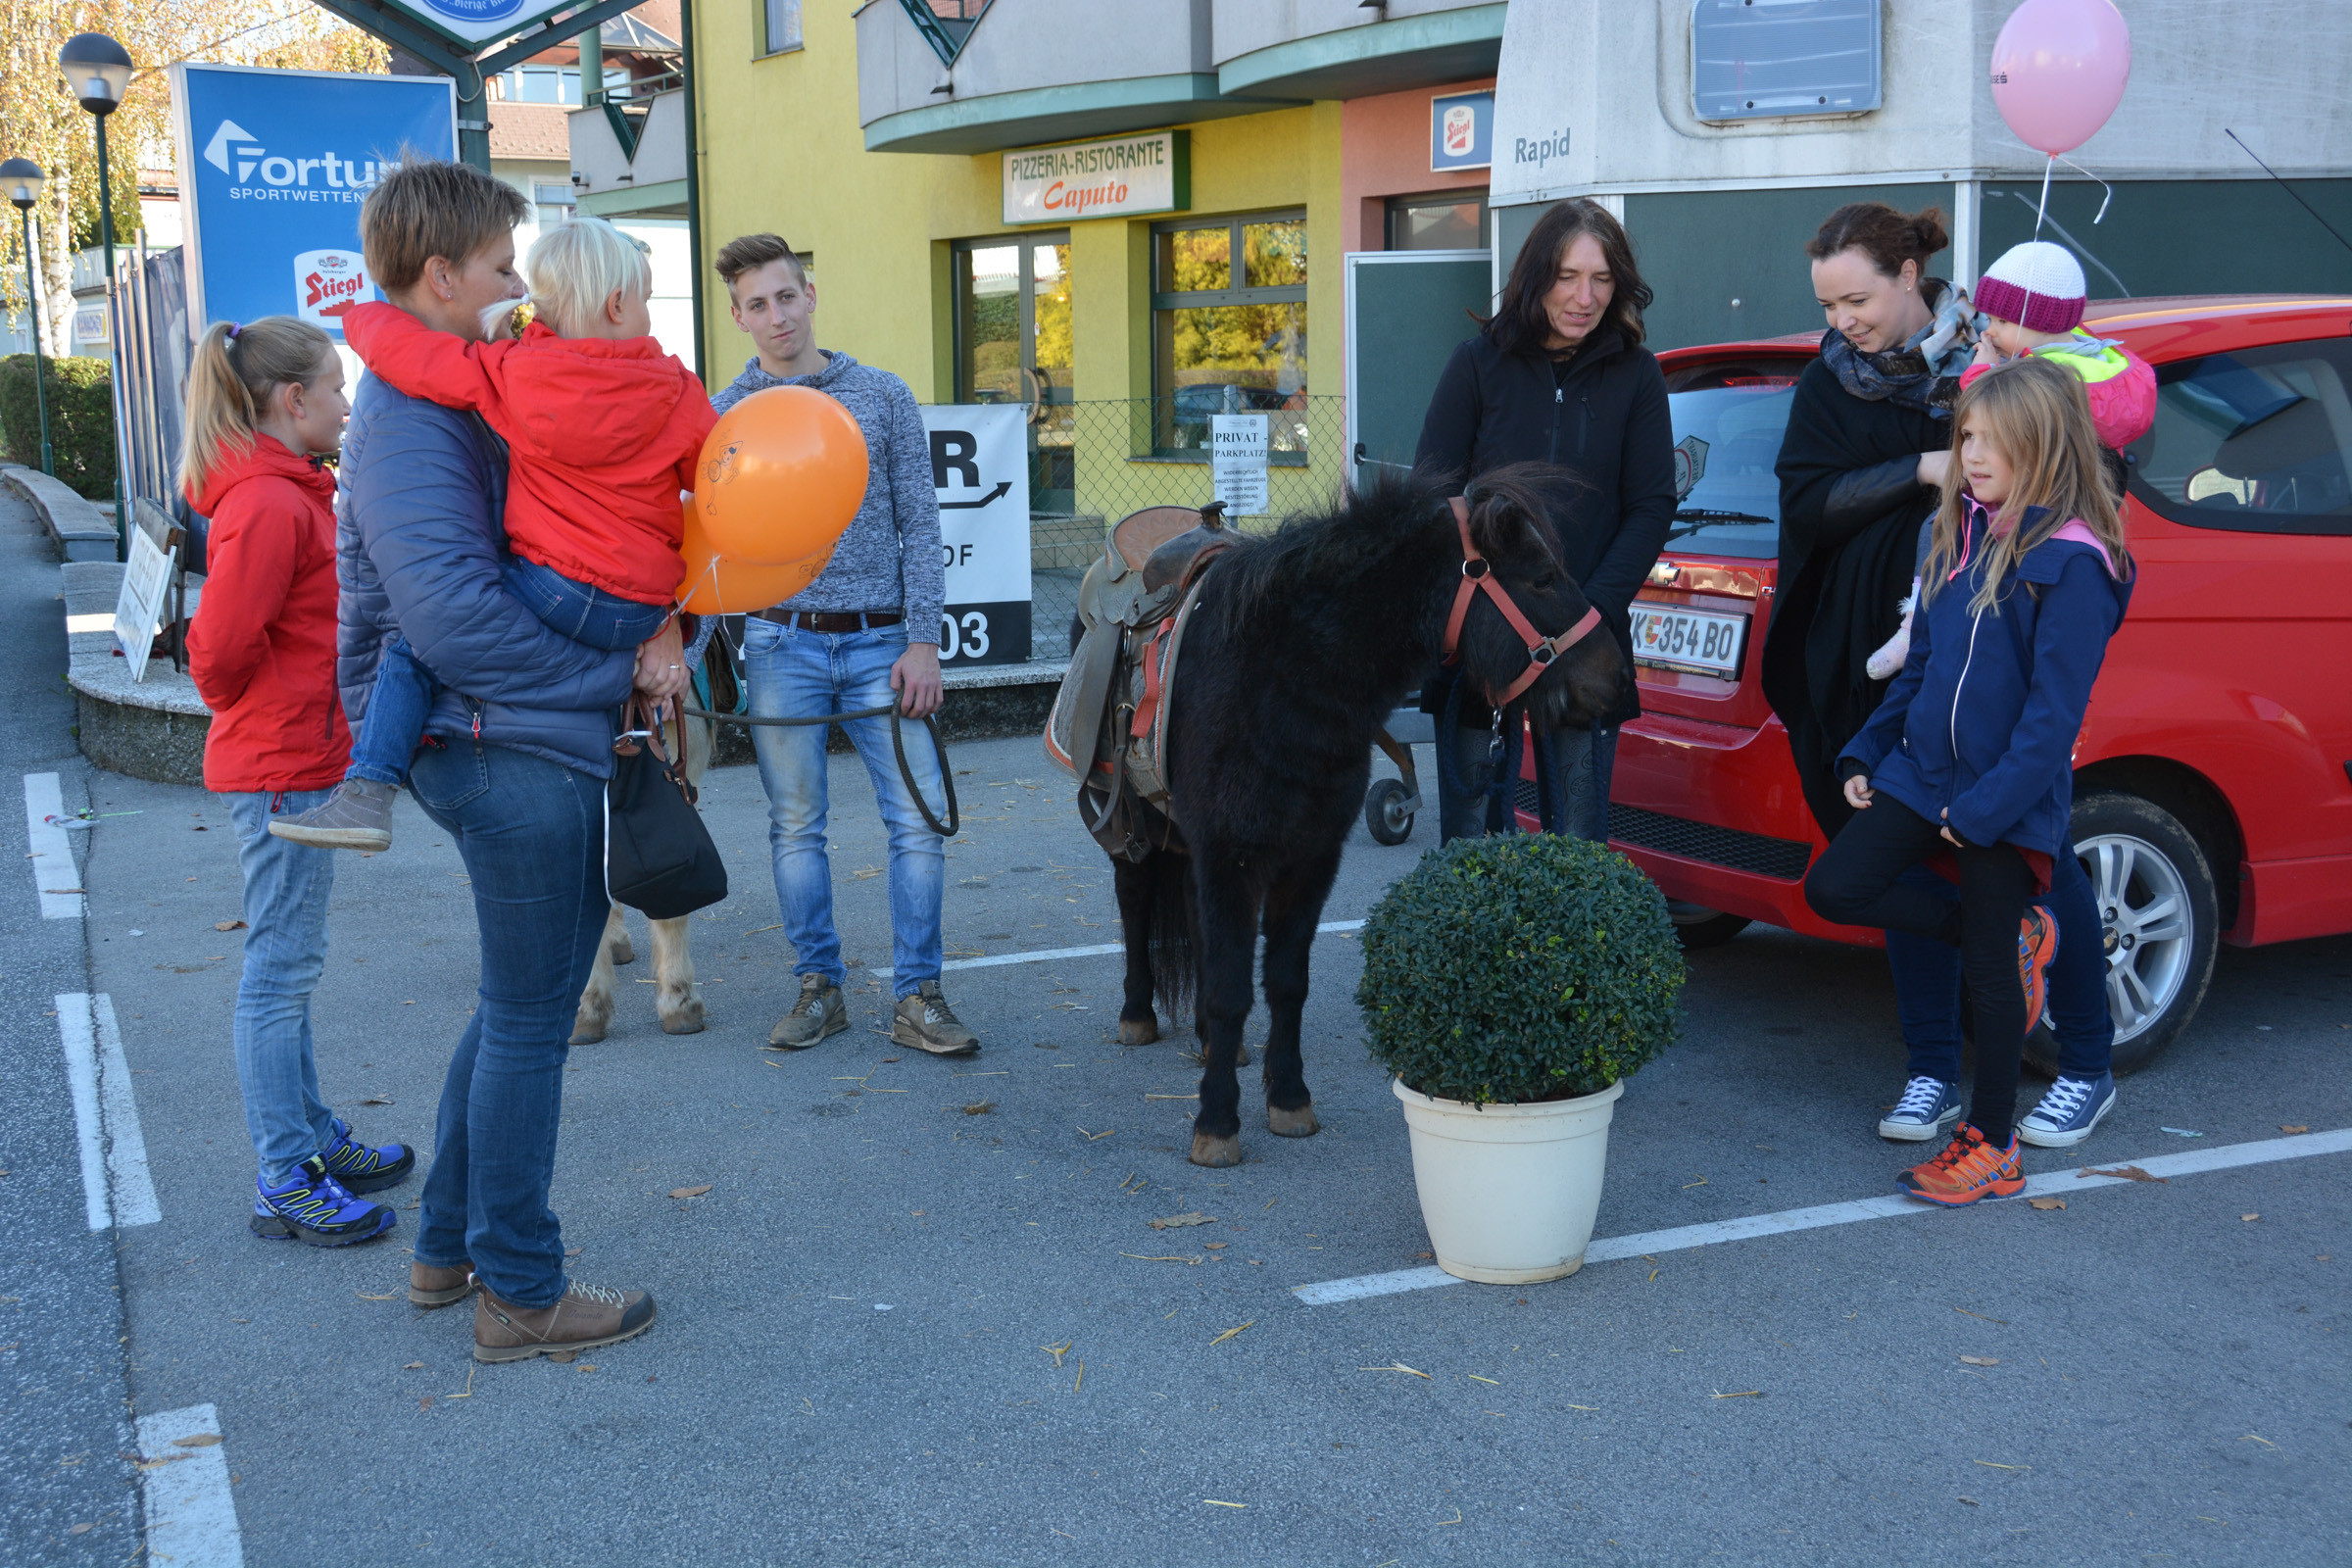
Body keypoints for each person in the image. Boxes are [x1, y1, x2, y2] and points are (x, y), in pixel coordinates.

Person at [340, 160, 675, 1360]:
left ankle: (444, 1250)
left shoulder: (450, 394)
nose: (517, 289)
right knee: (534, 1024)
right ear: (442, 277)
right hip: (504, 739)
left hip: (507, 733)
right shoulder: (408, 420)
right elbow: (451, 623)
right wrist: (617, 673)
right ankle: (522, 1292)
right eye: (499, 269)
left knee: (515, 1006)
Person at [1770, 202, 2119, 1151]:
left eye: (1857, 298)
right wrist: (1923, 465)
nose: (1841, 322)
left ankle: (2086, 1060)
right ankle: (1930, 1066)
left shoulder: (2008, 361)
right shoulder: (1829, 385)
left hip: (2003, 649)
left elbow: (2094, 465)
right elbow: (1806, 506)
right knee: (1905, 860)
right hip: (1879, 656)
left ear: (1911, 274)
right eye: (1828, 304)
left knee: (2047, 871)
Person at [1802, 356, 2133, 1202]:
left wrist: (1981, 812)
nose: (1973, 455)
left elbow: (2051, 722)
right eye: (1968, 437)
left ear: (2046, 445)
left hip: (2002, 800)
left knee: (1991, 984)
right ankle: (2015, 936)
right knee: (1836, 887)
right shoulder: (1962, 531)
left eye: (1995, 440)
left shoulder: (2075, 563)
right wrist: (1867, 751)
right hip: (1920, 774)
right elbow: (1920, 669)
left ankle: (1992, 1146)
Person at [274, 215, 711, 853]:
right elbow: (717, 484)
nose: (647, 312)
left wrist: (362, 319)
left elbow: (416, 358)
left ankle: (368, 789)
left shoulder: (515, 371)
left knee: (414, 646)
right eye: (645, 297)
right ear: (619, 303)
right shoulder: (677, 388)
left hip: (558, 593)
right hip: (639, 609)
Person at [709, 232, 974, 1057]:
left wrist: (924, 641)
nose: (776, 315)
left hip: (882, 643)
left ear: (810, 295)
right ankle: (819, 987)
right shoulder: (726, 415)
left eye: (786, 296)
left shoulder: (882, 396)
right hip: (780, 645)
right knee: (795, 827)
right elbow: (707, 539)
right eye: (757, 304)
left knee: (918, 823)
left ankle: (919, 996)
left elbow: (921, 528)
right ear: (737, 315)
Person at [182, 316, 414, 1245]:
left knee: (291, 968)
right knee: (278, 976)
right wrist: (270, 704)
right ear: (292, 401)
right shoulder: (271, 503)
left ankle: (309, 1139)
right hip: (280, 767)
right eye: (336, 388)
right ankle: (284, 1174)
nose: (348, 405)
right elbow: (218, 654)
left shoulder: (283, 489)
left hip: (294, 759)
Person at [1413, 198, 1675, 842]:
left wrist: (1593, 609)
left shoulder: (1637, 374)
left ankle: (1571, 948)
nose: (1585, 296)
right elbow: (1433, 497)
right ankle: (1474, 946)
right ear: (1535, 277)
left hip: (1584, 635)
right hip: (1482, 641)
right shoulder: (1476, 363)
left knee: (1579, 842)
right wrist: (1473, 611)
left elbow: (1651, 503)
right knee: (1472, 842)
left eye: (1602, 278)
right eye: (1567, 276)